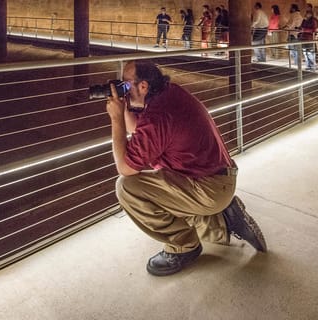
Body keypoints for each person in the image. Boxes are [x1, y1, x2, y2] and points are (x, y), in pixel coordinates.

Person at [104, 60, 268, 276]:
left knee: (127, 188)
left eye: (126, 85)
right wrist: (124, 106)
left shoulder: (159, 116)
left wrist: (116, 118)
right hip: (216, 178)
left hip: (208, 188)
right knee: (164, 191)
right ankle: (224, 220)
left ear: (143, 86)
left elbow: (125, 168)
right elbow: (136, 128)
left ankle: (183, 246)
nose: (124, 90)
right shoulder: (168, 94)